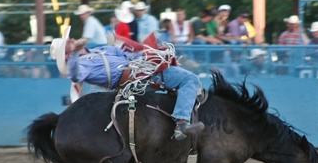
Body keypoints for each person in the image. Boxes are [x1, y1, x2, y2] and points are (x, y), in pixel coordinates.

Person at [49, 29, 204, 141]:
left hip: (139, 67)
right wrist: (76, 53)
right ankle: (182, 122)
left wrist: (149, 52)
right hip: (135, 78)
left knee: (171, 65)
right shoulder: (79, 65)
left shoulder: (99, 49)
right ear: (67, 55)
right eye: (67, 44)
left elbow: (127, 55)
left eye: (68, 39)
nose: (70, 40)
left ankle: (182, 103)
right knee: (190, 80)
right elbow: (75, 76)